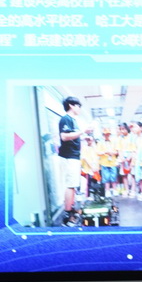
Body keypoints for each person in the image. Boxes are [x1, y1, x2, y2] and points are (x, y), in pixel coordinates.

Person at [56, 96, 83, 226]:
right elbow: (64, 136)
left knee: (73, 185)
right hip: (69, 157)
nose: (79, 109)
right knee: (70, 185)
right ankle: (67, 216)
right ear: (71, 105)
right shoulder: (65, 119)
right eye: (78, 106)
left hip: (74, 156)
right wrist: (83, 131)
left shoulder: (73, 120)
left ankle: (70, 210)